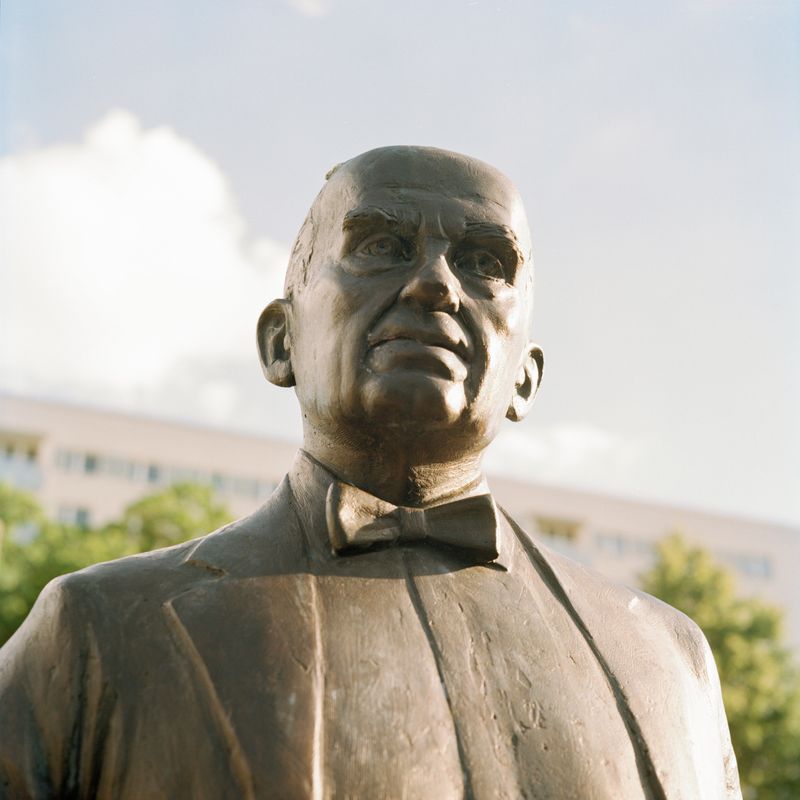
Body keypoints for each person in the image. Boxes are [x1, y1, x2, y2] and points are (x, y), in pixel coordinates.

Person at [0, 146, 741, 799]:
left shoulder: (670, 661)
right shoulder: (96, 630)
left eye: (486, 263)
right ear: (281, 341)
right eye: (382, 245)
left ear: (526, 378)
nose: (436, 285)